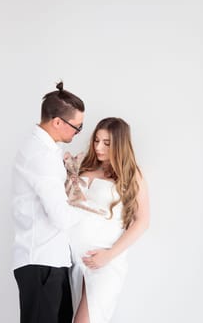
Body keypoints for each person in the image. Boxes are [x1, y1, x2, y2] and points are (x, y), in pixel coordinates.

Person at [12, 81, 85, 323]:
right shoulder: (41, 156)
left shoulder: (47, 152)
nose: (78, 132)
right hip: (42, 262)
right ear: (57, 122)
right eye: (78, 126)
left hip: (51, 261)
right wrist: (91, 211)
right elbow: (61, 217)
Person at [67, 117, 150, 323]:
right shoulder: (83, 168)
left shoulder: (131, 175)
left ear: (120, 144)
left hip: (105, 261)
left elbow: (142, 221)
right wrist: (69, 175)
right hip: (72, 260)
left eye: (107, 143)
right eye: (96, 141)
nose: (99, 147)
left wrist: (109, 255)